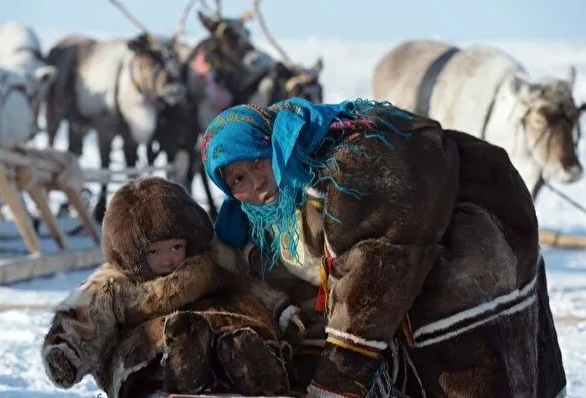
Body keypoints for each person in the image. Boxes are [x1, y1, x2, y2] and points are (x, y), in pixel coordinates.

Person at [201, 98, 567, 397]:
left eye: (257, 162)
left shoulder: (346, 174)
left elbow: (375, 274)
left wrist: (335, 382)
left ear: (276, 145)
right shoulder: (269, 213)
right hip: (426, 232)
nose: (257, 183)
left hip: (477, 227)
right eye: (237, 179)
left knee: (467, 356)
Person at [41, 176, 304, 397]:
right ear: (130, 251)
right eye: (154, 252)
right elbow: (87, 315)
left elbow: (248, 287)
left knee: (242, 325)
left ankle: (252, 364)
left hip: (225, 329)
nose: (167, 259)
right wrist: (67, 350)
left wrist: (280, 310)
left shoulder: (212, 261)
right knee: (154, 347)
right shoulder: (115, 282)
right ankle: (180, 366)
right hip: (154, 345)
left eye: (176, 247)